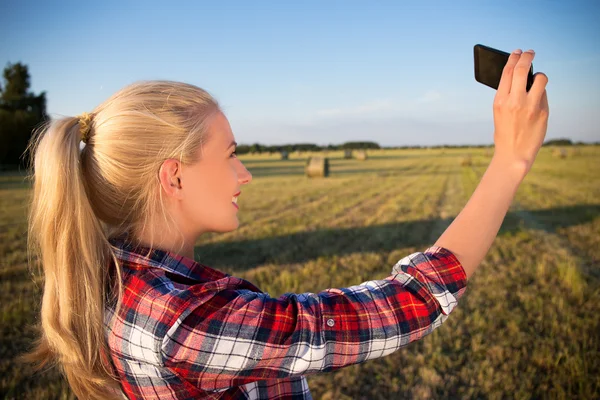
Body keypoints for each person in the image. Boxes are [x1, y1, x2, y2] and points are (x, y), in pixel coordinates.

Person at [20, 49, 548, 399]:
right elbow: (402, 308)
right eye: (230, 154)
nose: (244, 173)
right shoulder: (184, 320)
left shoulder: (116, 273)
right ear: (174, 178)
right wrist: (509, 163)